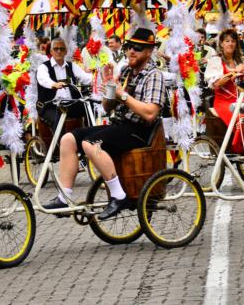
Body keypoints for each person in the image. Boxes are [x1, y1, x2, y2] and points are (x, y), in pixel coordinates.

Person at [42, 28, 167, 220]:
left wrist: (122, 95)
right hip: (120, 125)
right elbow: (108, 108)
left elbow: (150, 113)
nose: (131, 51)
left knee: (91, 143)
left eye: (138, 48)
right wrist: (109, 88)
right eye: (129, 47)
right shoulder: (125, 71)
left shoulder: (154, 75)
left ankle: (119, 196)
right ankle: (64, 197)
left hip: (140, 130)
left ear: (149, 51)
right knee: (68, 139)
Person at [36, 37, 93, 129]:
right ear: (51, 51)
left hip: (69, 104)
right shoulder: (43, 67)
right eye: (56, 49)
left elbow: (86, 78)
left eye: (62, 49)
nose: (59, 51)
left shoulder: (72, 66)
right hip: (50, 106)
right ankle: (61, 143)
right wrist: (53, 84)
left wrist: (100, 79)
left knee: (90, 107)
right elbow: (44, 79)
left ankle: (88, 136)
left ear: (66, 52)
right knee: (58, 120)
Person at [205, 29, 244, 128]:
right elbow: (216, 84)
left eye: (233, 41)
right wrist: (234, 72)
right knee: (240, 120)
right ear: (221, 44)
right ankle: (238, 143)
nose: (230, 44)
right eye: (227, 41)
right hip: (223, 102)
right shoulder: (216, 60)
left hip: (241, 100)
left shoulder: (241, 60)